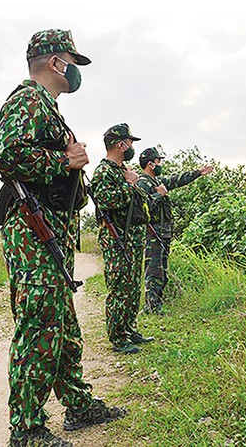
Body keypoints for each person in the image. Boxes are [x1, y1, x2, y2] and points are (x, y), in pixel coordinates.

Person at [0, 29, 125, 447]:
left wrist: (72, 170)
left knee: (62, 325)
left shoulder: (47, 108)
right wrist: (64, 160)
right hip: (33, 232)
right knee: (40, 325)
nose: (75, 71)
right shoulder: (28, 99)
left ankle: (78, 404)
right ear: (54, 62)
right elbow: (5, 154)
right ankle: (26, 429)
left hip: (51, 232)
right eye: (72, 61)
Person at [90, 123, 155, 355]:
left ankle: (129, 328)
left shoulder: (122, 169)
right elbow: (106, 200)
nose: (131, 148)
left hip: (133, 238)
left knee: (132, 285)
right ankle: (118, 336)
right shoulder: (104, 171)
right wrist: (129, 184)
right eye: (130, 143)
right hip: (117, 238)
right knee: (119, 286)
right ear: (121, 144)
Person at [136, 147, 214, 314]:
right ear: (150, 164)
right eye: (158, 162)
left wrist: (199, 172)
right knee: (153, 269)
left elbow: (177, 180)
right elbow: (141, 210)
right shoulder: (143, 183)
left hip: (163, 232)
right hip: (152, 233)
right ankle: (151, 306)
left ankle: (157, 304)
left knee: (162, 270)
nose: (160, 164)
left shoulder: (157, 182)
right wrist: (159, 195)